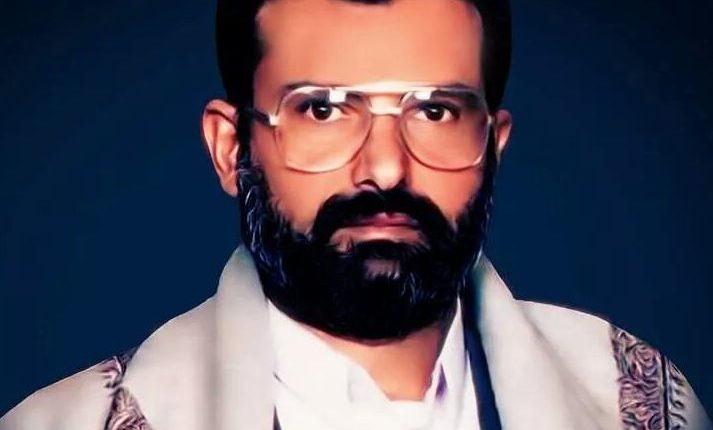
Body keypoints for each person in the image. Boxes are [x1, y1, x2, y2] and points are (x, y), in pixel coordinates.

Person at [1, 0, 710, 429]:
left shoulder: (637, 402)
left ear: (493, 146)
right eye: (322, 109)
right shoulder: (65, 425)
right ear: (230, 147)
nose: (386, 168)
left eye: (435, 111)